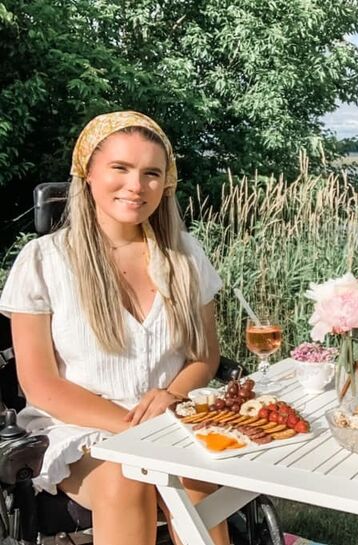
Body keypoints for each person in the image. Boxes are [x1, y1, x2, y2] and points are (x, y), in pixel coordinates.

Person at [0, 111, 230, 545]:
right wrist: (139, 431)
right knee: (128, 478)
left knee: (197, 481)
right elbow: (41, 385)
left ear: (166, 183)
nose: (136, 186)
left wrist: (174, 396)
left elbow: (205, 356)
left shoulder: (185, 256)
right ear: (88, 173)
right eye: (120, 168)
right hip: (77, 423)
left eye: (151, 173)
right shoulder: (43, 260)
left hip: (170, 417)